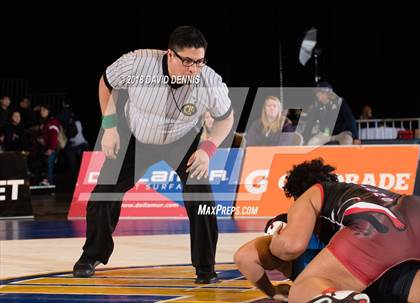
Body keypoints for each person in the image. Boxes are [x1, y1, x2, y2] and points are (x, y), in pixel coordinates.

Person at [72, 26, 234, 284]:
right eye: (188, 62)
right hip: (136, 135)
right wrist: (110, 127)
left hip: (181, 140)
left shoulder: (210, 81)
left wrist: (208, 149)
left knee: (201, 198)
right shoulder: (137, 63)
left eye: (200, 62)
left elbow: (226, 119)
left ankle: (205, 268)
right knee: (104, 193)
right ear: (170, 54)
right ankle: (91, 255)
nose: (193, 69)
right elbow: (106, 83)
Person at [257, 158, 419, 302]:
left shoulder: (309, 195)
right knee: (405, 282)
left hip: (376, 227)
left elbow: (291, 247)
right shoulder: (357, 188)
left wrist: (275, 243)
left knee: (302, 289)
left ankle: (337, 298)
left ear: (295, 194)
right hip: (412, 209)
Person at [235, 212, 420, 303]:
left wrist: (272, 292)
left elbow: (244, 257)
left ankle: (330, 295)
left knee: (301, 292)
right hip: (383, 271)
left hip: (360, 278)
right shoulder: (330, 216)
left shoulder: (279, 244)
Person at [38, 104, 61, 186]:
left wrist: (51, 148)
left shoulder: (53, 121)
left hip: (52, 148)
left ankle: (49, 182)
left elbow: (53, 136)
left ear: (49, 111)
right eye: (41, 110)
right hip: (46, 147)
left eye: (44, 110)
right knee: (46, 163)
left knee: (49, 163)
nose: (41, 112)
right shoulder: (45, 122)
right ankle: (46, 180)